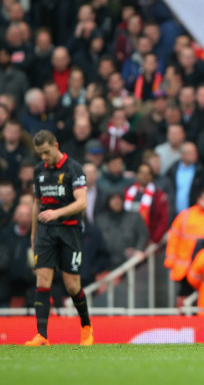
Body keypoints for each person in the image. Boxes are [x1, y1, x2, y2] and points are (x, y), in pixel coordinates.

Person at [25, 130, 93, 346]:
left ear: (56, 145)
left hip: (69, 230)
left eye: (46, 152)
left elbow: (82, 202)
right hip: (45, 231)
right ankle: (42, 335)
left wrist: (57, 213)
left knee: (72, 285)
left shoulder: (74, 168)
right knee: (42, 279)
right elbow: (37, 203)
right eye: (40, 154)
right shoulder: (39, 171)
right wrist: (34, 234)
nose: (43, 157)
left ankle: (86, 327)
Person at [165, 189, 204, 306]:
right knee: (184, 296)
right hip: (185, 265)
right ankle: (183, 321)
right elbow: (174, 237)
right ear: (198, 200)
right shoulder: (186, 215)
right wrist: (170, 259)